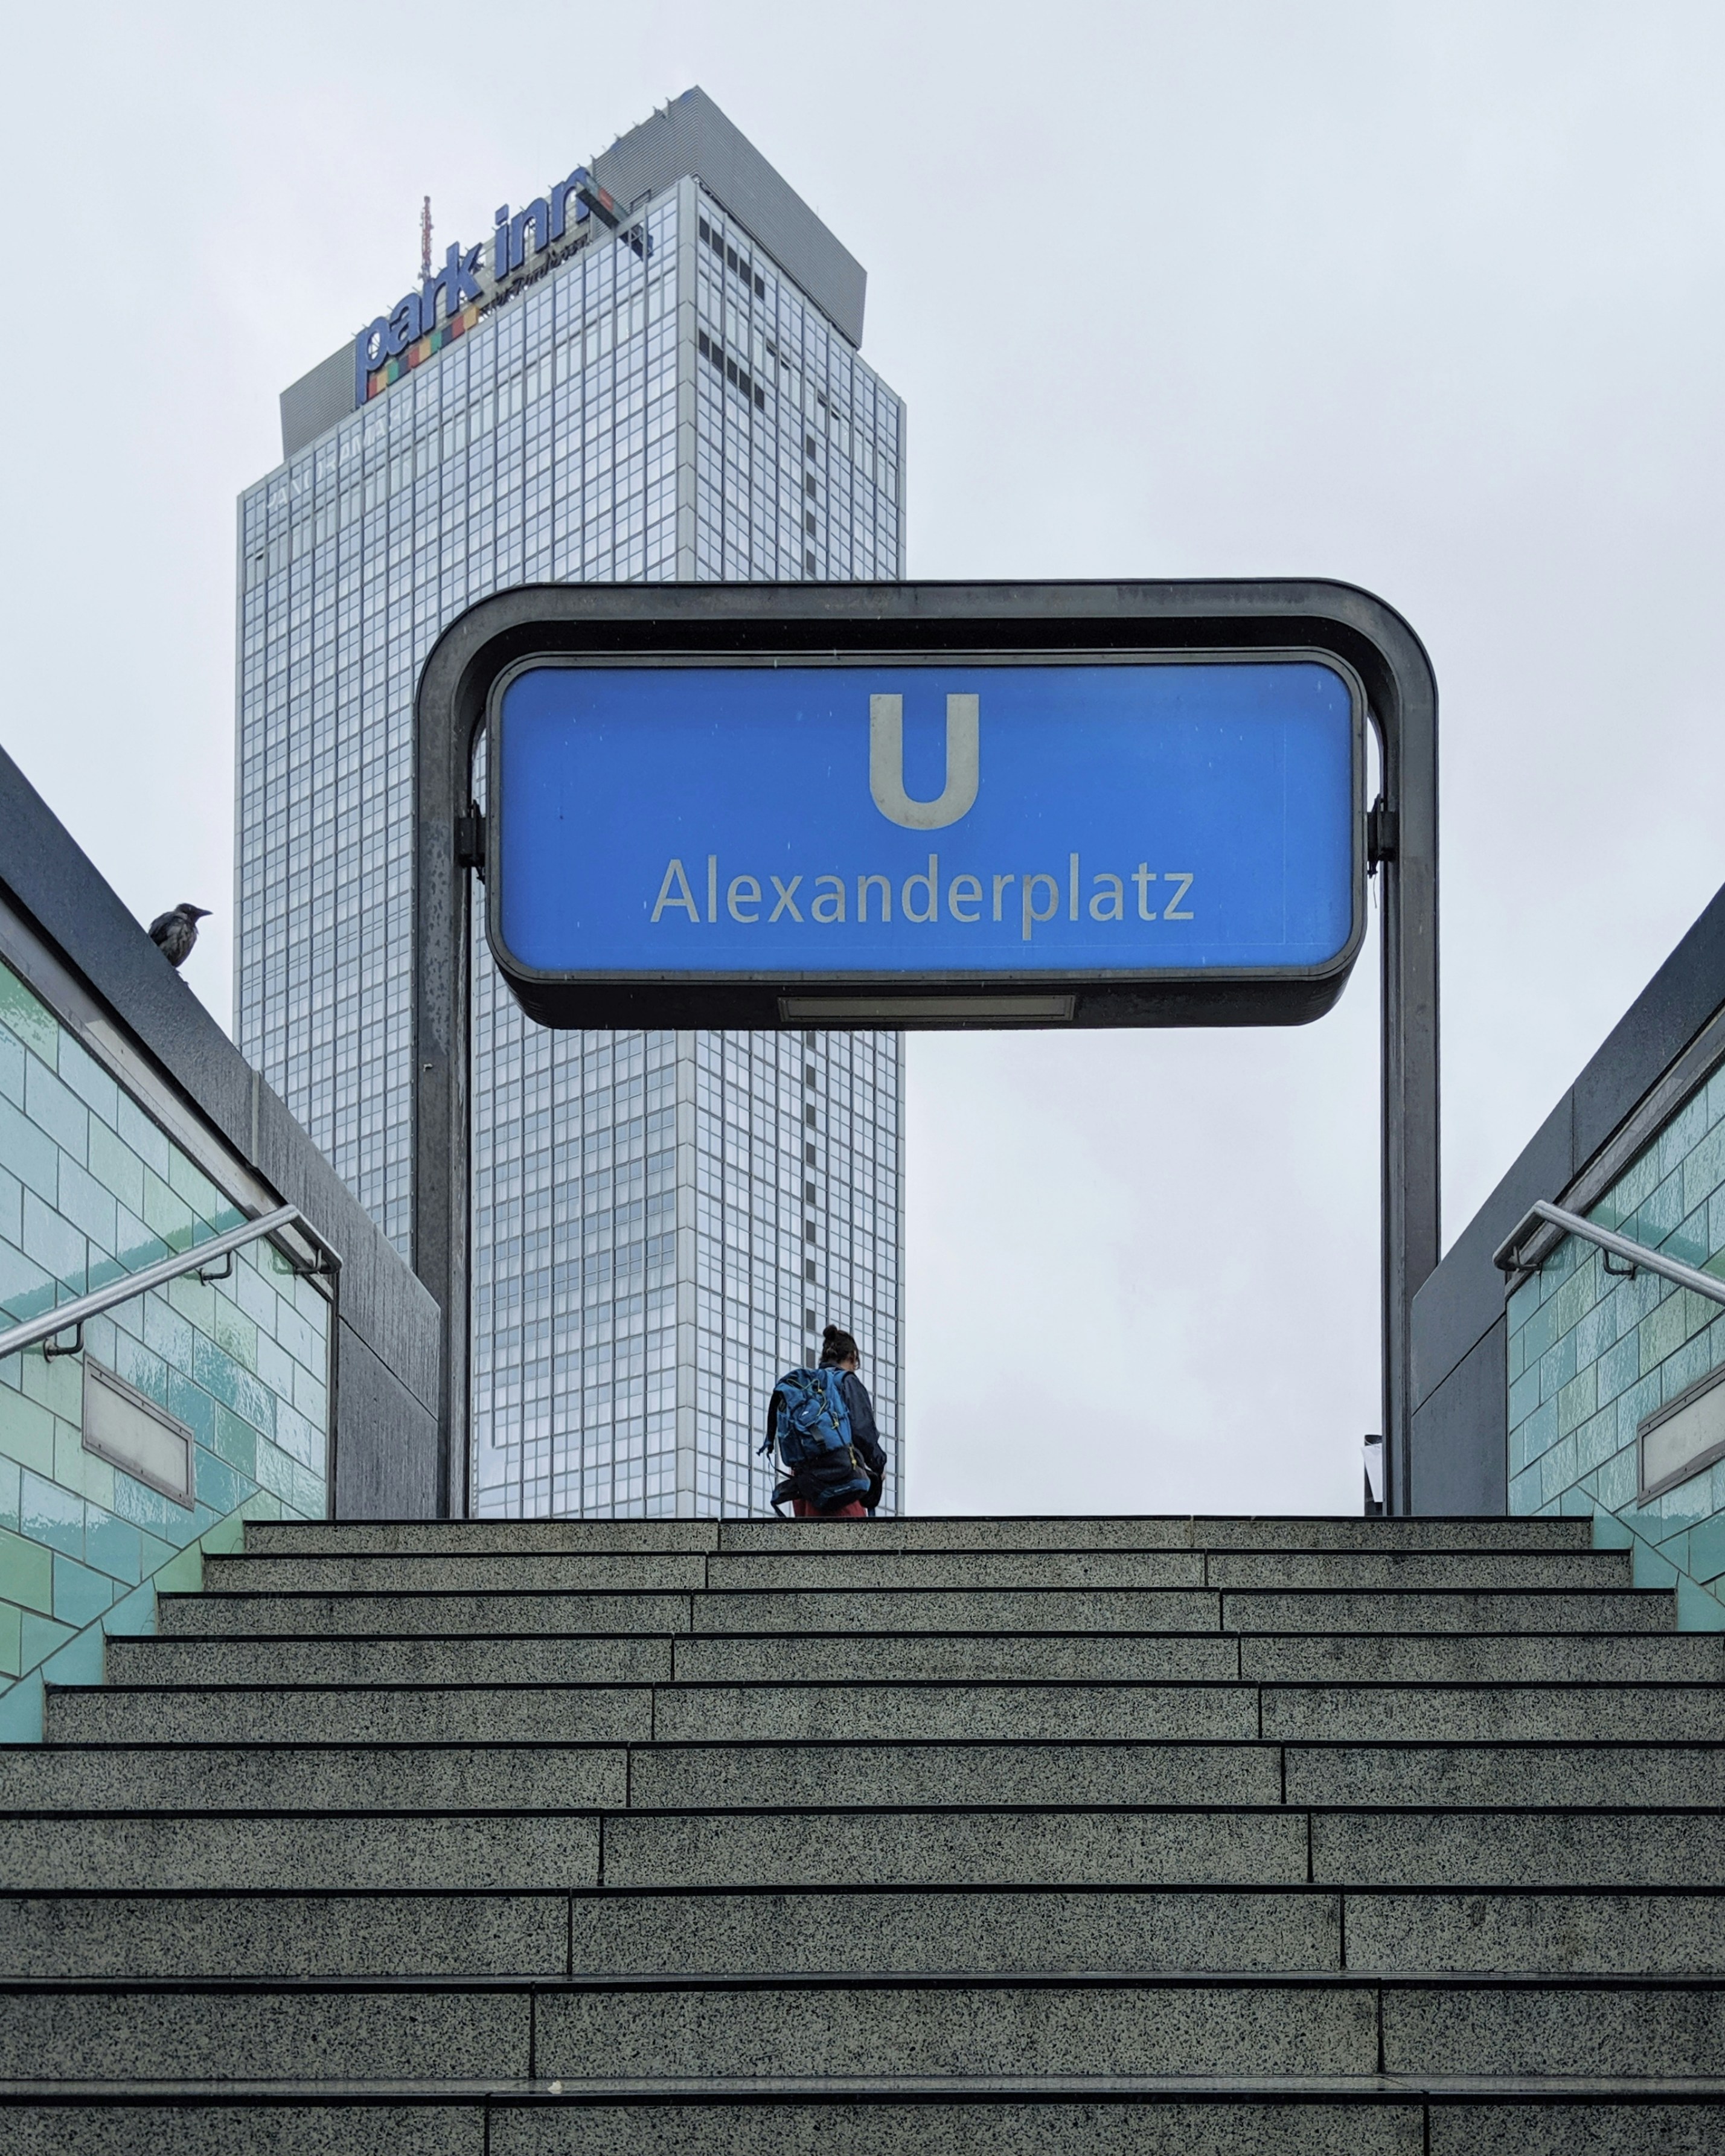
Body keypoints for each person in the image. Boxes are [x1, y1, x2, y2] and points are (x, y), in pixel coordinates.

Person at [814, 1323, 886, 1520]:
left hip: (804, 1485)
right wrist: (879, 1466)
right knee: (850, 1544)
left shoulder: (809, 1384)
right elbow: (863, 1432)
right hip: (839, 1475)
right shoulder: (847, 1382)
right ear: (852, 1357)